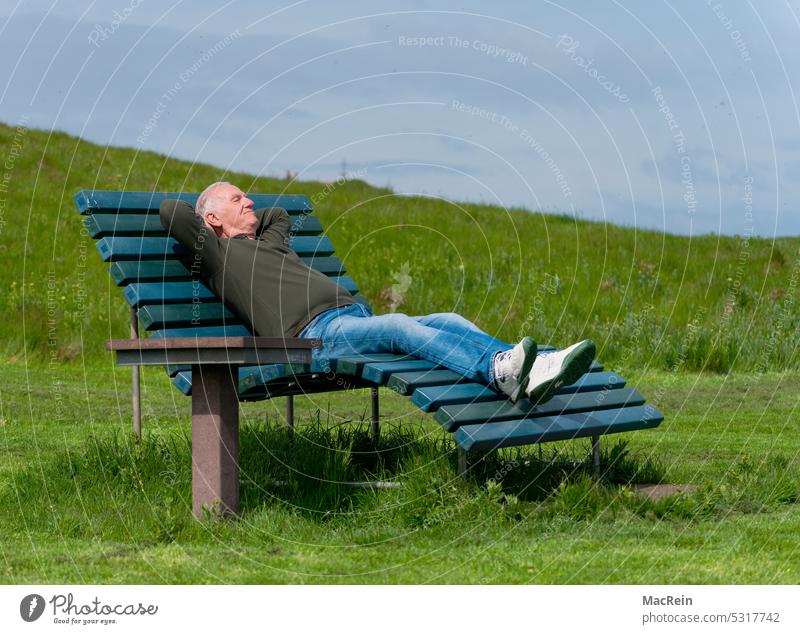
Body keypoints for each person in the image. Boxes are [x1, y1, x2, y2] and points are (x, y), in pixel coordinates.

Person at [160, 182, 596, 405]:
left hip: (351, 318)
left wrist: (243, 220)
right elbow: (171, 212)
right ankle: (500, 372)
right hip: (312, 337)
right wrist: (215, 225)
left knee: (448, 320)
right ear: (213, 218)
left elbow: (278, 214)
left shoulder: (268, 242)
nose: (250, 201)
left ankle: (533, 367)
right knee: (399, 327)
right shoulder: (215, 254)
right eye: (237, 200)